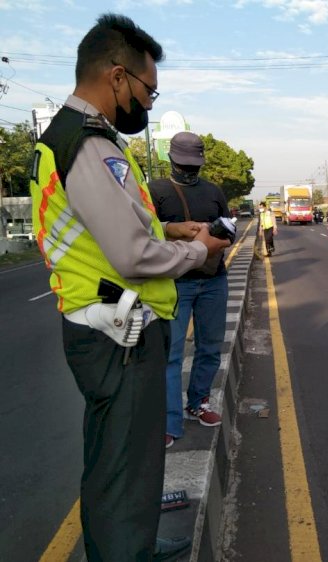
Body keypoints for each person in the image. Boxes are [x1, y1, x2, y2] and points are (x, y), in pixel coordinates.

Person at [29, 14, 230, 561]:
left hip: (107, 330)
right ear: (118, 77)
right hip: (120, 337)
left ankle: (130, 541)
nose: (147, 101)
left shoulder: (71, 140)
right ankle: (125, 550)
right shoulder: (89, 145)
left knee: (117, 461)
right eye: (148, 89)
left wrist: (170, 227)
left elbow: (112, 225)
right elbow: (132, 255)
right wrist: (198, 250)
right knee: (124, 464)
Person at [150, 132, 231, 446]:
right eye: (184, 164)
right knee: (171, 355)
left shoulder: (213, 192)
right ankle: (170, 423)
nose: (189, 170)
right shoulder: (154, 191)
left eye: (194, 165)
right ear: (170, 159)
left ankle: (198, 403)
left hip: (213, 280)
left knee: (210, 347)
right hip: (175, 284)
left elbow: (229, 231)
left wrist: (215, 238)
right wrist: (173, 229)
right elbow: (141, 233)